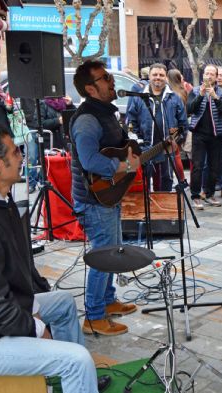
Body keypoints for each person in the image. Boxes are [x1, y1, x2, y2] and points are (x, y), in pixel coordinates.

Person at [0, 121, 111, 393]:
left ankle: (80, 389)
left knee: (64, 303)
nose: (22, 155)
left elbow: (18, 268)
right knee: (76, 359)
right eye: (15, 151)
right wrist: (35, 327)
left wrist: (37, 304)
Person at [70, 60, 141, 336]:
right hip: (93, 200)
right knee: (103, 255)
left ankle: (108, 301)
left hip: (106, 197)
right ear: (90, 88)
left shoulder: (105, 113)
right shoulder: (87, 119)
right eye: (105, 78)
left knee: (112, 250)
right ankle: (93, 317)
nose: (112, 81)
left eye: (110, 76)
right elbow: (88, 160)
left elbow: (118, 148)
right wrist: (120, 168)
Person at [127, 63, 188, 191]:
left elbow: (183, 124)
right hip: (145, 148)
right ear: (149, 76)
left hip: (166, 149)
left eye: (161, 75)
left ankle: (161, 210)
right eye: (155, 74)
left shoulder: (174, 98)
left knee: (165, 182)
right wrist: (138, 141)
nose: (158, 77)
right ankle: (147, 209)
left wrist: (176, 142)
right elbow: (131, 121)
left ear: (166, 77)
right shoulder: (138, 98)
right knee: (143, 184)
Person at [187, 64, 222, 209]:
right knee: (198, 166)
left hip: (216, 135)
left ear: (216, 76)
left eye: (212, 74)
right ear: (203, 75)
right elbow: (190, 109)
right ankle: (195, 195)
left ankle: (210, 194)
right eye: (207, 73)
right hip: (199, 134)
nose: (209, 76)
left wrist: (215, 97)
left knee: (215, 166)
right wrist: (200, 95)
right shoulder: (194, 90)